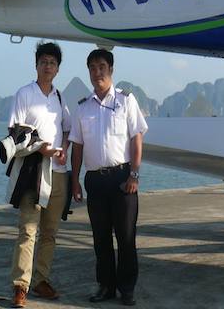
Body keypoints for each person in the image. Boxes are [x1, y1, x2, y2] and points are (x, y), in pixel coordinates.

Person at [69, 49, 148, 306]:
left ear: (111, 70)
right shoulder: (82, 108)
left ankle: (127, 289)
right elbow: (77, 147)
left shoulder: (126, 101)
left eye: (101, 66)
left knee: (125, 237)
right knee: (100, 237)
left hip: (122, 178)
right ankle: (106, 286)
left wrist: (134, 174)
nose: (97, 72)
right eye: (92, 67)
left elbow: (137, 138)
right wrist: (75, 181)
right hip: (95, 180)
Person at [7, 42, 71, 308]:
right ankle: (21, 285)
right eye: (44, 61)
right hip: (33, 170)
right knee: (28, 230)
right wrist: (39, 149)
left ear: (57, 69)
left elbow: (67, 129)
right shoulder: (24, 94)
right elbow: (14, 133)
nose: (48, 66)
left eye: (52, 63)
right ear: (36, 65)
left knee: (50, 232)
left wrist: (64, 149)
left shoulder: (59, 97)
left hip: (58, 173)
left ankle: (41, 279)